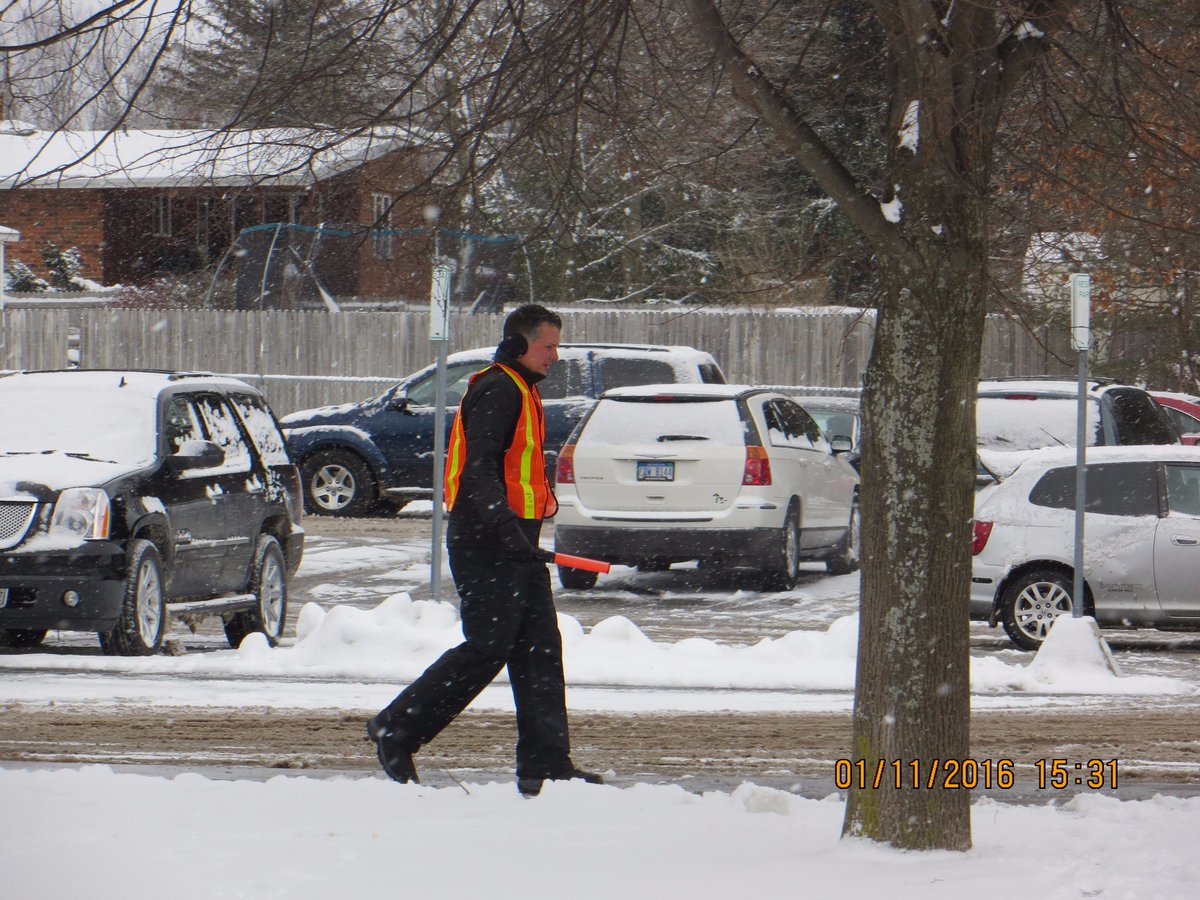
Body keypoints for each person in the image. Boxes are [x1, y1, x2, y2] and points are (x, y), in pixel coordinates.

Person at [367, 304, 603, 796]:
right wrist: (504, 526)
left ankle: (546, 763)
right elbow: (477, 468)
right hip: (487, 542)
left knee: (539, 650)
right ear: (520, 345)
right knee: (487, 647)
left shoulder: (523, 389)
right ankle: (397, 728)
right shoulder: (500, 389)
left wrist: (522, 533)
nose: (555, 356)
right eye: (548, 346)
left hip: (517, 541)